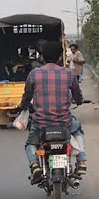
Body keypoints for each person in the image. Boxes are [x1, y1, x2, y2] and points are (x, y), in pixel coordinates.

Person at [16, 39, 87, 180]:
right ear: (60, 57)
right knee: (77, 130)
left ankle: (35, 165)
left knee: (30, 144)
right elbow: (77, 95)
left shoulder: (34, 74)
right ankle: (82, 161)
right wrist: (79, 101)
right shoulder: (69, 74)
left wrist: (22, 107)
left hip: (41, 123)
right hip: (64, 122)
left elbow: (27, 96)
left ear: (42, 57)